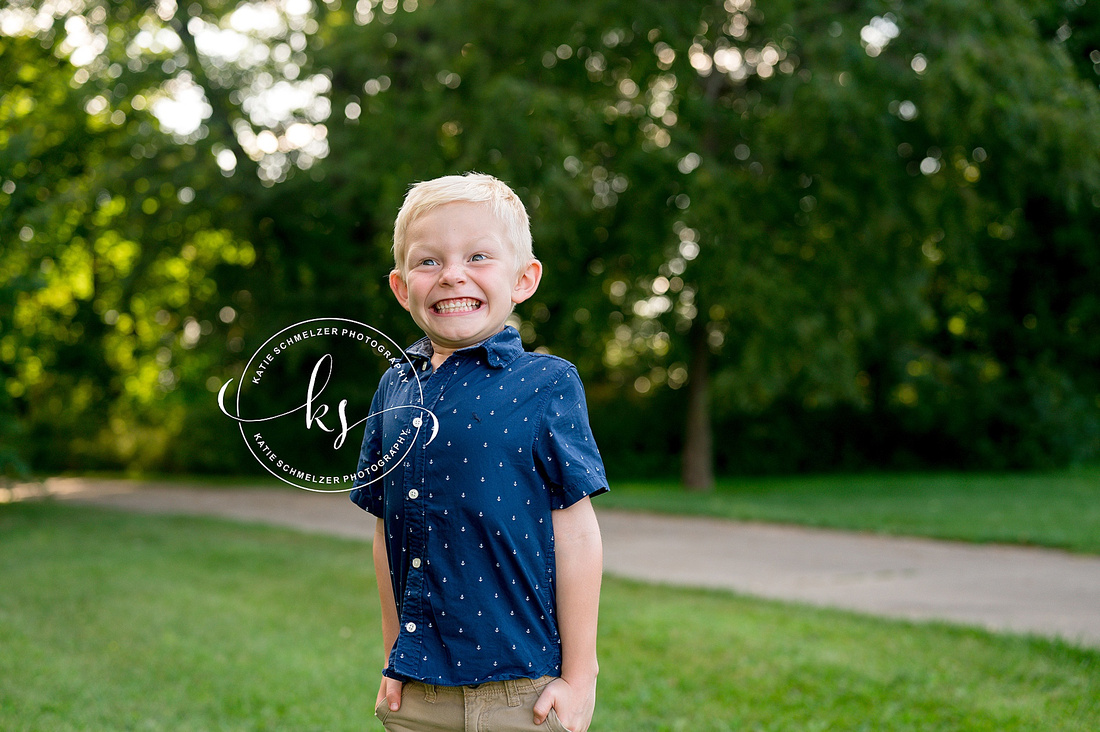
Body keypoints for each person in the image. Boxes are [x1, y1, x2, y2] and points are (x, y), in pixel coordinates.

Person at [350, 172, 608, 732]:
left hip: (524, 692)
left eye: (479, 256)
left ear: (523, 279)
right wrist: (396, 656)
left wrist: (580, 677)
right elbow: (384, 531)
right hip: (418, 697)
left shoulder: (546, 385)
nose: (452, 275)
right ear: (400, 287)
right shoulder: (394, 389)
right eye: (428, 262)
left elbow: (578, 534)